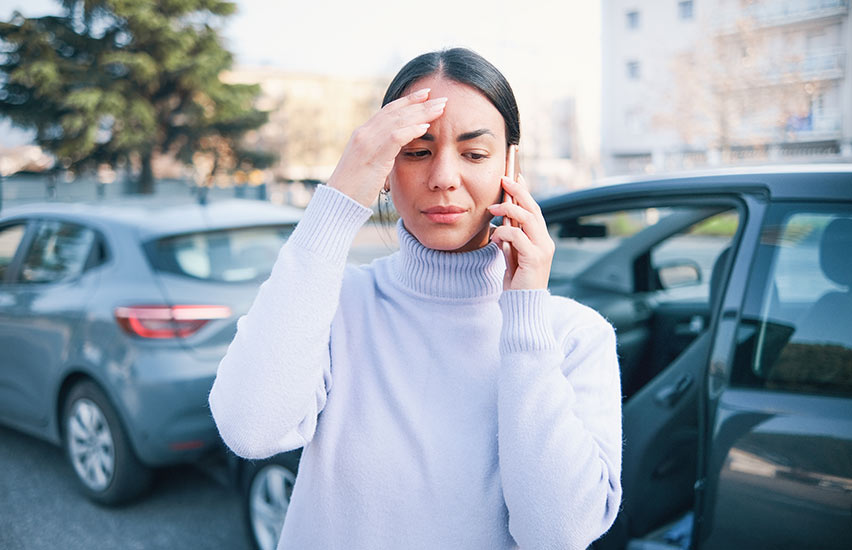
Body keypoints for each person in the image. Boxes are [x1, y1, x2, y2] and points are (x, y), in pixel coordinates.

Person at [209, 48, 622, 549]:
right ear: (385, 166)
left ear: (511, 164)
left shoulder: (572, 336)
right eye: (417, 150)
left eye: (474, 153)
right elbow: (250, 428)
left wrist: (526, 317)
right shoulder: (335, 305)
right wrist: (338, 199)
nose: (444, 176)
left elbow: (557, 534)